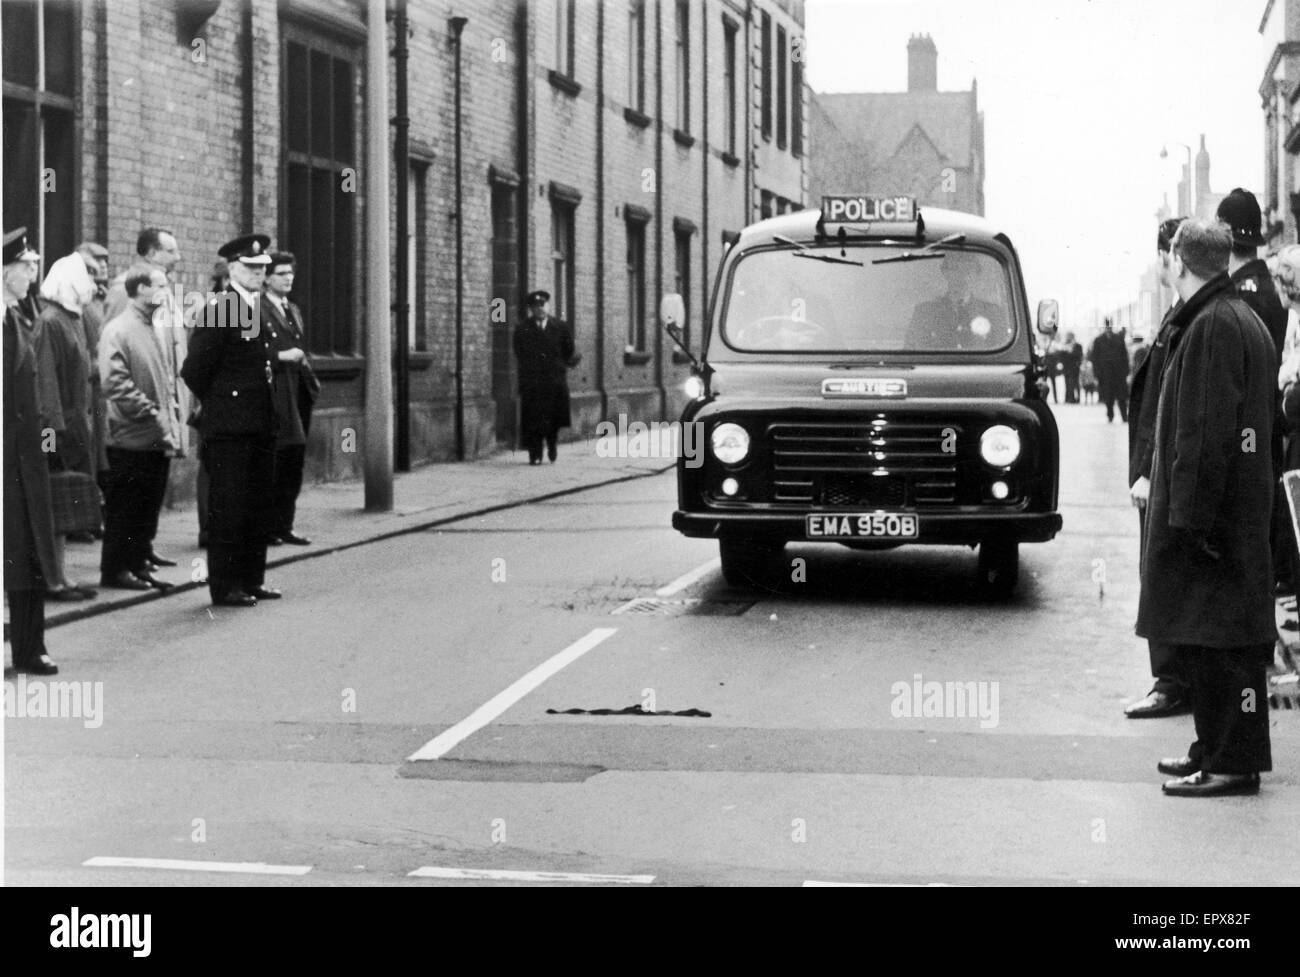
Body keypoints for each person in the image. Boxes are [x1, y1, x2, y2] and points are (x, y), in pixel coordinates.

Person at [1136, 218, 1276, 797]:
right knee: (1220, 640)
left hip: (1213, 521)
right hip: (1238, 515)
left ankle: (1229, 764)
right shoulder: (1238, 318)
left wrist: (1191, 522)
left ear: (1180, 260)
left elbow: (1204, 435)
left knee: (1219, 644)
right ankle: (1212, 748)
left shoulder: (1212, 326)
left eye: (1169, 253)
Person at [180, 234, 280, 607]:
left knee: (257, 504)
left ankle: (252, 579)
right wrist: (222, 403)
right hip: (230, 427)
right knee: (230, 506)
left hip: (258, 423)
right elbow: (194, 370)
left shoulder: (255, 307)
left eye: (262, 268)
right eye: (251, 268)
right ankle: (226, 585)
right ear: (234, 269)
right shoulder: (223, 307)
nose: (259, 274)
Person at [1124, 216, 1190, 719]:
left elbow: (1164, 407)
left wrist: (1146, 470)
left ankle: (1171, 681)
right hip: (1161, 472)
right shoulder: (1177, 314)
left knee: (1162, 573)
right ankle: (1171, 677)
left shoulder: (1184, 318)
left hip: (1162, 474)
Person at [1217, 188, 1291, 597]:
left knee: (1244, 516)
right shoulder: (1274, 289)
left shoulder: (1232, 295)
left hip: (1245, 428)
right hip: (1275, 421)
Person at [97, 267, 184, 591]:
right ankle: (116, 570)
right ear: (142, 289)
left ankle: (136, 565)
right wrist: (151, 412)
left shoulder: (153, 327)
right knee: (126, 508)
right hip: (129, 437)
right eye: (160, 285)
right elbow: (115, 383)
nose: (166, 290)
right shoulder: (119, 329)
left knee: (146, 506)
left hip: (153, 436)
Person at [3, 228, 59, 674]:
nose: (33, 272)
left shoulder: (18, 316)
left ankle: (29, 647)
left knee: (27, 551)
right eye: (27, 265)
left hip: (23, 459)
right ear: (6, 271)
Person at [37, 254, 102, 600]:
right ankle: (52, 577)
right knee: (53, 498)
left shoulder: (71, 320)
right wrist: (51, 438)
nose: (91, 285)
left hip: (74, 426)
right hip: (55, 430)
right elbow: (46, 383)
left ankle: (61, 574)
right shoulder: (51, 322)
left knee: (62, 501)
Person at [262, 252, 319, 546]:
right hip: (275, 393)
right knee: (277, 459)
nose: (288, 278)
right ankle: (269, 525)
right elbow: (252, 352)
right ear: (267, 277)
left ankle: (286, 523)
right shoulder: (258, 309)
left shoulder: (293, 309)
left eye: (290, 273)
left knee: (294, 461)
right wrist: (280, 356)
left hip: (297, 391)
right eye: (281, 273)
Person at [187, 259, 229, 548]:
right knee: (211, 465)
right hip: (215, 401)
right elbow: (198, 364)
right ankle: (208, 528)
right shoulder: (217, 309)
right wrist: (208, 398)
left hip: (229, 402)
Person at [513, 289, 579, 464]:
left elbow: (569, 350)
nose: (540, 309)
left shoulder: (561, 327)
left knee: (553, 418)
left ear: (548, 306)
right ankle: (535, 453)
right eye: (536, 307)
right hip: (533, 382)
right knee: (533, 418)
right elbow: (519, 352)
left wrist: (558, 366)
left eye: (543, 305)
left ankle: (552, 444)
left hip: (554, 381)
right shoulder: (522, 329)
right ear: (531, 309)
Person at [905, 253, 1012, 351]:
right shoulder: (925, 313)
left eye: (968, 269)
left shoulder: (993, 313)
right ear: (945, 273)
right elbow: (912, 354)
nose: (961, 275)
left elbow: (1002, 355)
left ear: (976, 274)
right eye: (955, 269)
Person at [1088, 319, 1129, 422]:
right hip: (1105, 373)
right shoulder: (1098, 340)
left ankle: (1124, 415)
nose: (1108, 328)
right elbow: (1094, 358)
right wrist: (1097, 373)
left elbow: (1124, 356)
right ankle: (1110, 415)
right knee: (1108, 396)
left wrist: (1126, 371)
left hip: (1118, 373)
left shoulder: (1119, 338)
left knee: (1121, 396)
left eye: (1110, 326)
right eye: (1107, 326)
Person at [1059, 332, 1083, 403]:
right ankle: (1069, 398)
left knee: (1076, 383)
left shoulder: (1078, 346)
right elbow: (1062, 356)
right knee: (1068, 383)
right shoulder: (1065, 346)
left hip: (1075, 368)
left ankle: (1078, 398)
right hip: (1067, 368)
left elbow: (1079, 355)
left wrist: (1071, 351)